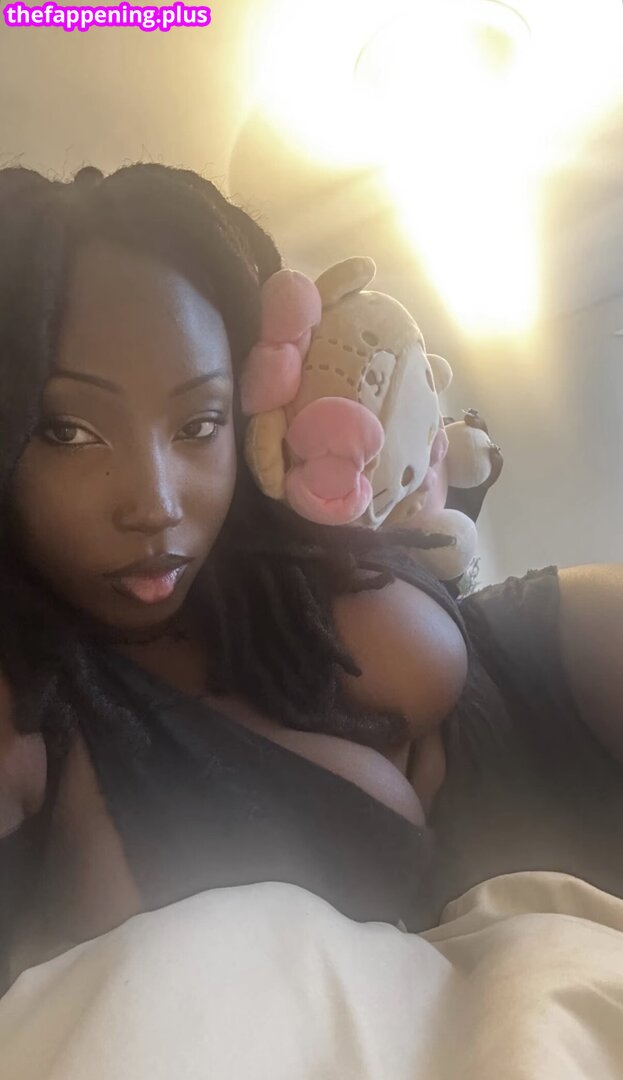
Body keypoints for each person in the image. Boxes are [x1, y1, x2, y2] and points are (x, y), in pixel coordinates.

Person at [0, 163, 621, 995]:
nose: (155, 504)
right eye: (68, 432)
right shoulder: (34, 704)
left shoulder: (282, 533)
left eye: (198, 423)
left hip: (538, 682)